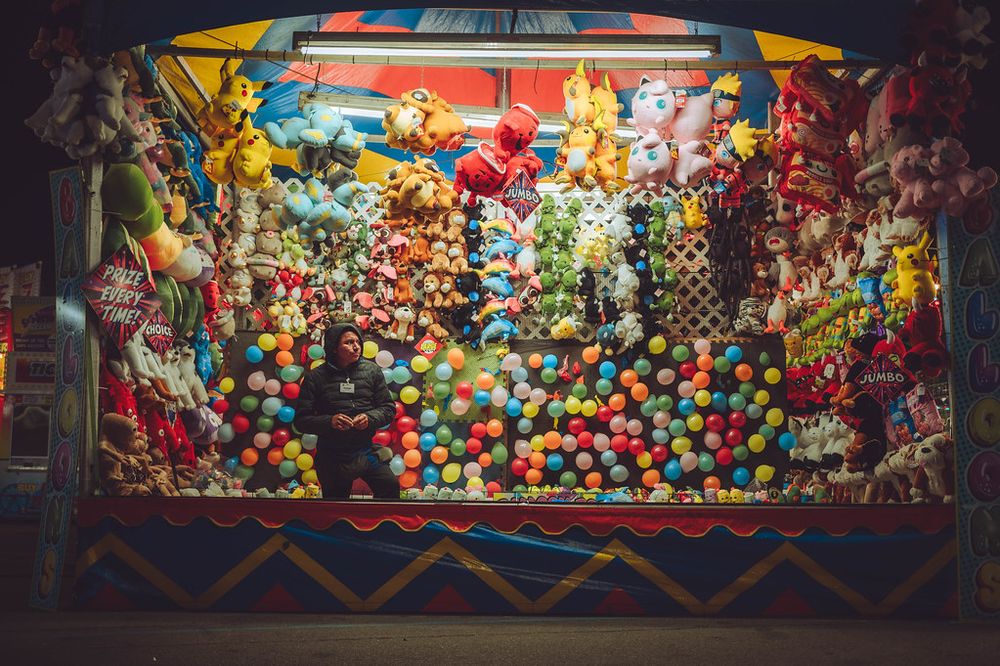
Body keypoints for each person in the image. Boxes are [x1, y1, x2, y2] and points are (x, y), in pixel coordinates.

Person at [294, 322, 398, 499]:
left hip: (365, 450)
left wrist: (369, 418)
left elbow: (388, 409)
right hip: (331, 455)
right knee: (335, 508)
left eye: (357, 341)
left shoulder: (372, 371)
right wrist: (330, 421)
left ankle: (376, 527)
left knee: (390, 487)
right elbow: (301, 420)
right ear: (334, 347)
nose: (356, 346)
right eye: (348, 342)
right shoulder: (315, 377)